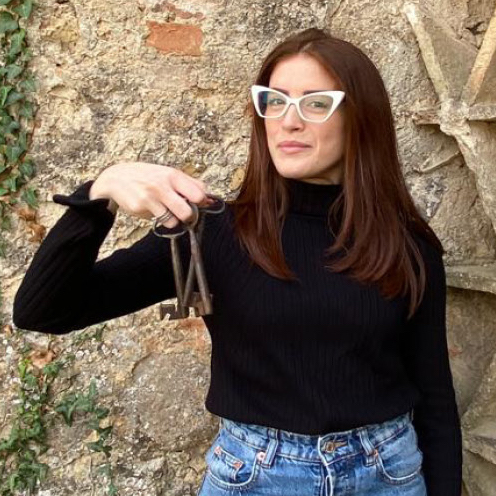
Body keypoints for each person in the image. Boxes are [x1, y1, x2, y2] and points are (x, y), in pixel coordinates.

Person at [13, 28, 462, 496]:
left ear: (360, 118)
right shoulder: (212, 232)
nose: (288, 121)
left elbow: (434, 396)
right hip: (258, 477)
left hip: (387, 473)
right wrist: (98, 193)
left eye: (315, 103)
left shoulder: (405, 241)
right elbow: (44, 311)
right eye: (274, 100)